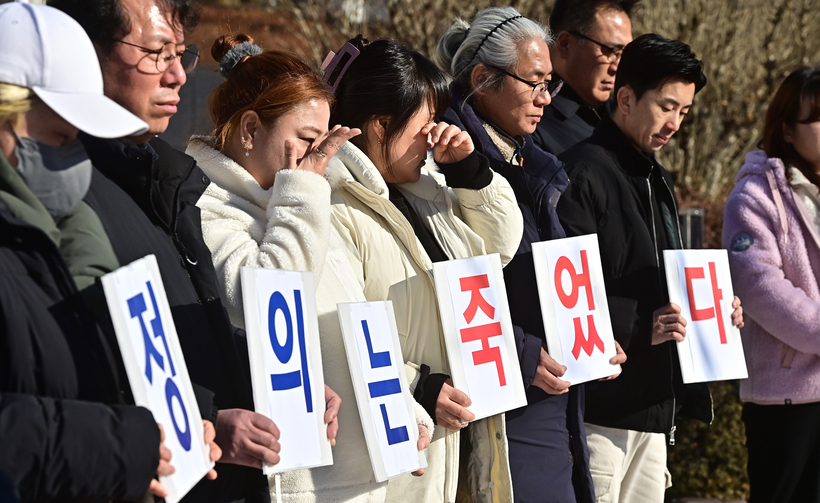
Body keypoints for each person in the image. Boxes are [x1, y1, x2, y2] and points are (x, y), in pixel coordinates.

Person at [48, 1, 342, 501]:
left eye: (180, 54)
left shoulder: (162, 182)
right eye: (154, 53)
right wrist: (204, 417)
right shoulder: (68, 192)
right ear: (80, 51)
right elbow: (80, 369)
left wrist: (274, 379)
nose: (177, 76)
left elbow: (191, 330)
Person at [187, 33, 432, 502]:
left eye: (324, 142)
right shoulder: (210, 209)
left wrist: (403, 405)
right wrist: (301, 191)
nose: (318, 156)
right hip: (305, 480)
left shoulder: (306, 196)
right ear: (250, 129)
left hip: (369, 468)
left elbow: (352, 312)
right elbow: (267, 307)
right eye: (305, 141)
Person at [0, 2, 220, 501]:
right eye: (59, 136)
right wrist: (111, 447)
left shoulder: (63, 234)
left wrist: (185, 424)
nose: (72, 155)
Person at [436, 7, 626, 502]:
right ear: (483, 79)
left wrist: (593, 335)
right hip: (497, 400)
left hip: (554, 391)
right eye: (535, 83)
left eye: (550, 85)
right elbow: (446, 278)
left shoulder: (533, 160)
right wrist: (521, 351)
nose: (545, 98)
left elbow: (557, 278)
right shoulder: (446, 155)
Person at [326, 36, 524, 502]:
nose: (436, 133)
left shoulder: (429, 189)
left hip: (454, 440)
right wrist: (416, 384)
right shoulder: (335, 204)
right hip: (392, 450)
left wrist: (470, 172)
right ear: (380, 125)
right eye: (426, 121)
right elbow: (331, 327)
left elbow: (499, 249)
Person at [557, 34, 743, 502]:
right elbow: (561, 294)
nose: (675, 123)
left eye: (683, 111)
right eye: (666, 107)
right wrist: (641, 324)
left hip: (656, 409)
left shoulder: (656, 175)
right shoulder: (581, 172)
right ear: (625, 97)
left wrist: (714, 308)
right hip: (600, 411)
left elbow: (667, 282)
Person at [723, 67, 820, 503]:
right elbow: (759, 286)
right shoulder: (755, 195)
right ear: (786, 128)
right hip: (786, 398)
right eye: (817, 118)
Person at [531, 0, 637, 156]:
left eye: (624, 54)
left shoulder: (624, 117)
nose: (617, 67)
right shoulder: (531, 121)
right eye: (610, 51)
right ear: (565, 44)